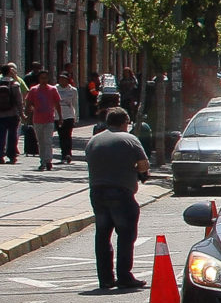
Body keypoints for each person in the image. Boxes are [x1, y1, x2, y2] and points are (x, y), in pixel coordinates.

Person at [84, 106, 150, 291]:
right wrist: (140, 173)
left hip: (97, 193)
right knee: (126, 235)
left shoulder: (94, 141)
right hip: (121, 193)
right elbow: (143, 165)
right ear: (125, 122)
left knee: (103, 235)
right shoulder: (130, 139)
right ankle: (124, 276)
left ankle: (105, 279)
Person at [26, 67, 63, 171]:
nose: (43, 80)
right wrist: (26, 114)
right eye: (42, 78)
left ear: (48, 79)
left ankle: (48, 161)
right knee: (40, 141)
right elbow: (28, 103)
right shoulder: (34, 90)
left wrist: (60, 117)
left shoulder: (52, 90)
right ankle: (42, 161)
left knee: (48, 141)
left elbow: (57, 104)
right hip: (37, 119)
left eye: (45, 78)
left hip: (49, 119)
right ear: (39, 79)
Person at [0, 63, 22, 164]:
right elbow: (19, 100)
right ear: (9, 71)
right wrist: (21, 113)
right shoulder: (14, 84)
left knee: (1, 135)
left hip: (0, 115)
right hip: (12, 114)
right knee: (12, 135)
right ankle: (12, 156)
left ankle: (0, 155)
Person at [54, 67, 77, 164]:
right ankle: (64, 153)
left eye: (64, 79)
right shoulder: (55, 89)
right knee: (61, 135)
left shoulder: (73, 90)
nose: (62, 81)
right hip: (58, 116)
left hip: (69, 116)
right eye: (61, 78)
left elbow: (75, 104)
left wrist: (76, 117)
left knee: (68, 135)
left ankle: (68, 154)